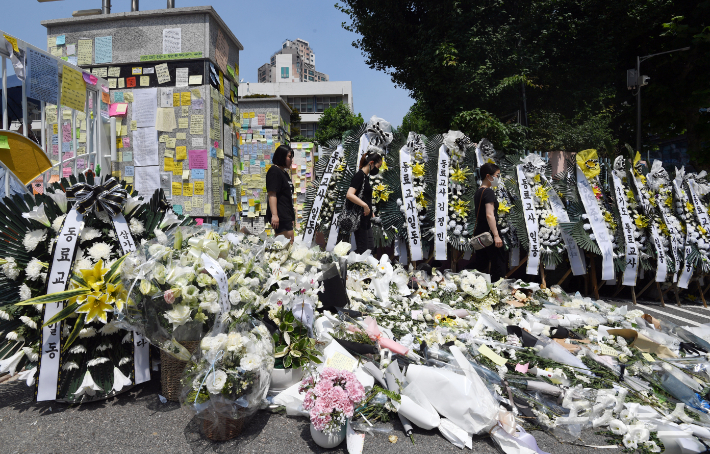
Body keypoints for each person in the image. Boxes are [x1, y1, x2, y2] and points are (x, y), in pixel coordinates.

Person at [472, 162, 506, 282]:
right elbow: (489, 214)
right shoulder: (489, 192)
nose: (498, 178)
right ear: (488, 176)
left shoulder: (478, 192)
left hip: (480, 233)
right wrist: (496, 236)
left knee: (482, 264)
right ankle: (498, 290)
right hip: (489, 233)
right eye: (497, 175)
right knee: (498, 264)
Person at [345, 152, 383, 254]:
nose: (378, 169)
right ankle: (355, 267)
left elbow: (363, 196)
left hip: (366, 219)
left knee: (369, 249)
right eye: (378, 166)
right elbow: (349, 194)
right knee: (363, 250)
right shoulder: (359, 176)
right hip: (360, 219)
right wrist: (365, 206)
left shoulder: (365, 177)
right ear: (371, 163)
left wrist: (370, 210)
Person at [266, 145, 296, 242]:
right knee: (286, 243)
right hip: (280, 214)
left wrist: (291, 216)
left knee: (289, 242)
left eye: (292, 157)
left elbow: (287, 196)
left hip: (286, 214)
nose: (291, 160)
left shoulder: (284, 173)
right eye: (289, 157)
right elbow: (272, 194)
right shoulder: (274, 172)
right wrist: (274, 215)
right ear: (281, 156)